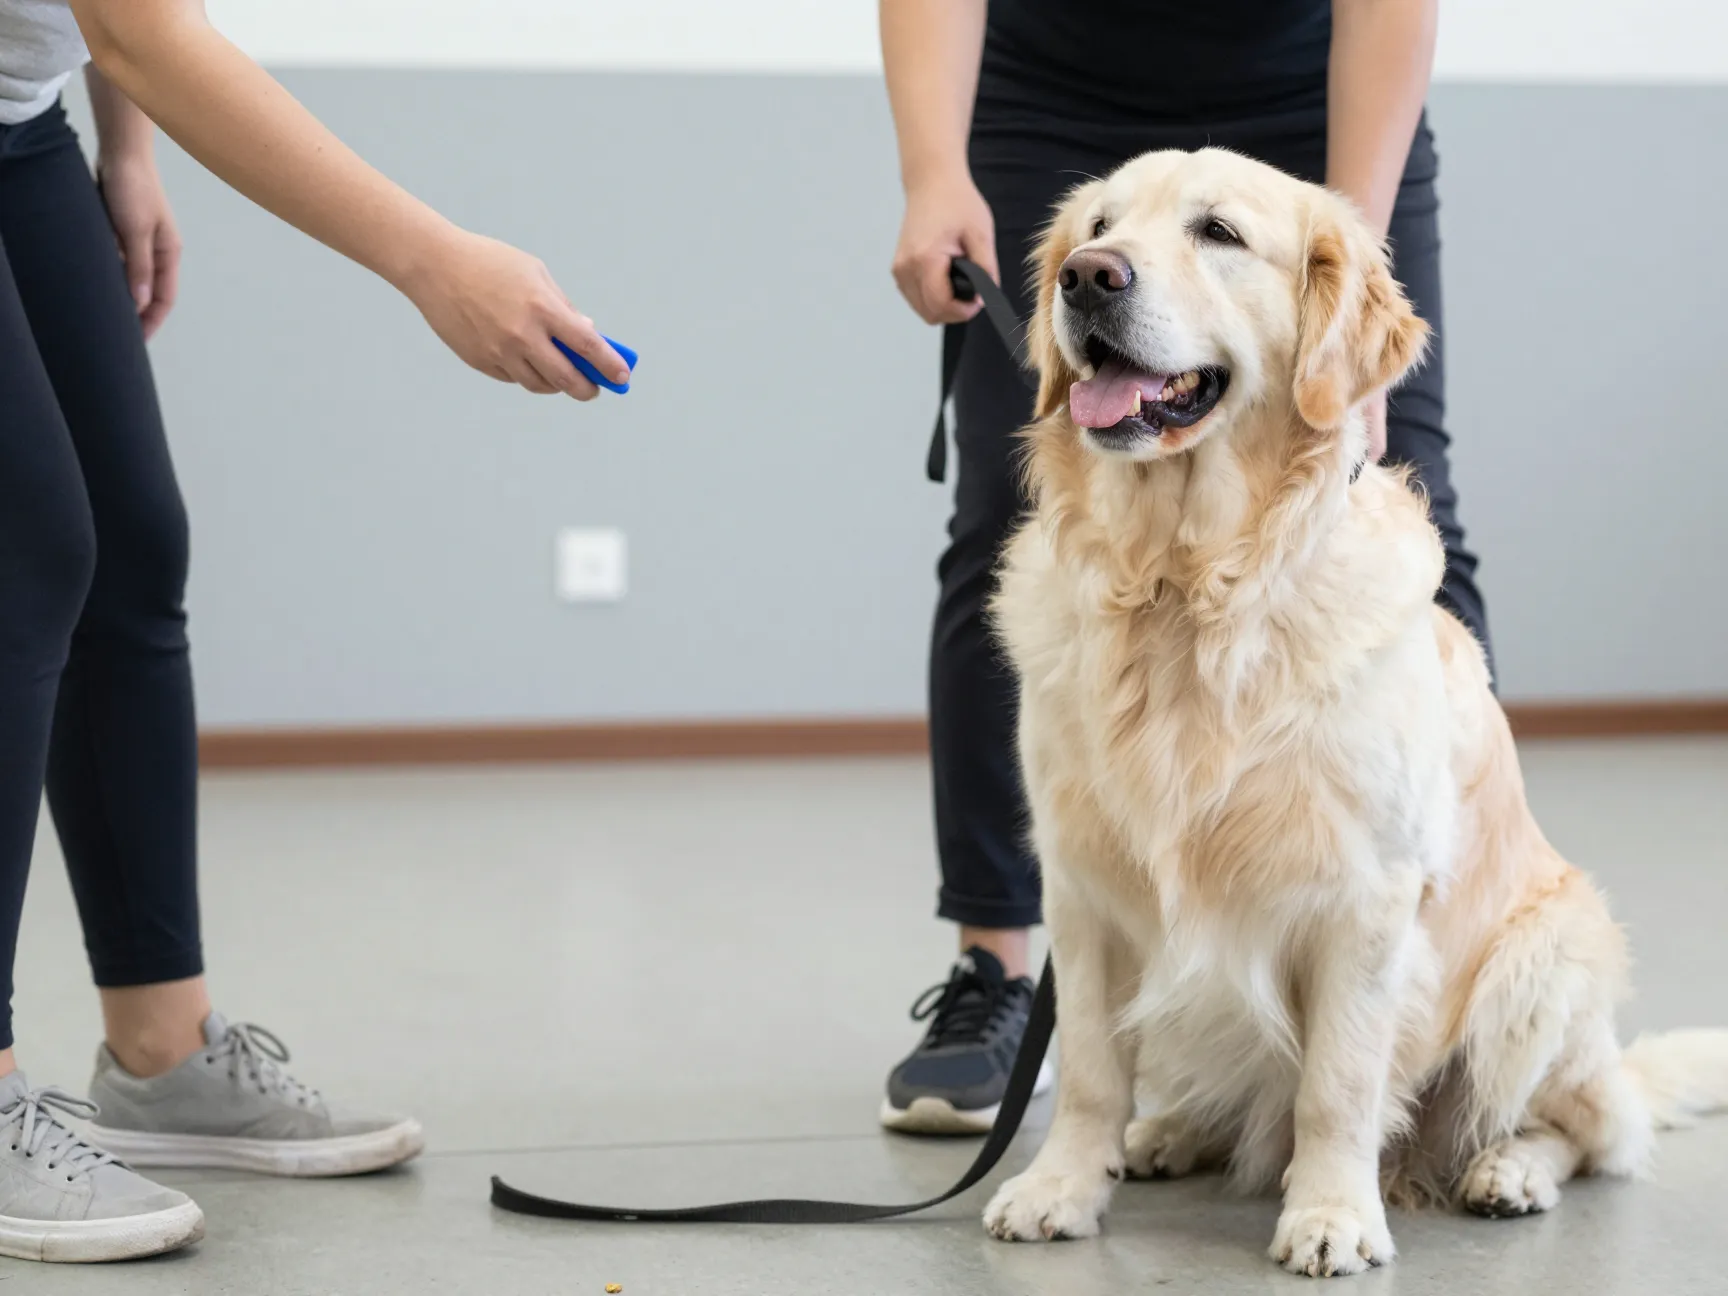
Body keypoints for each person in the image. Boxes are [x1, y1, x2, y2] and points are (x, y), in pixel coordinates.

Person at [0, 0, 633, 1264]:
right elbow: (138, 31)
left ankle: (161, 1053)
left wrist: (129, 150)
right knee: (24, 551)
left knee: (130, 544)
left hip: (23, 125)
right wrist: (431, 259)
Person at [878, 0, 1492, 1135]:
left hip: (1317, 91)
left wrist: (1344, 286)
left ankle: (1444, 955)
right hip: (1047, 96)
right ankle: (998, 975)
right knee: (1000, 524)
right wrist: (933, 166)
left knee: (1403, 488)